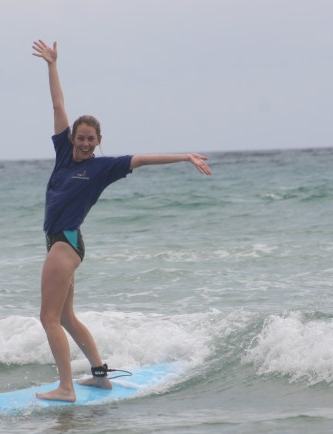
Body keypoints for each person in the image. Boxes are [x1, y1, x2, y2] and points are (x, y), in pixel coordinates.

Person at [32, 39, 211, 402]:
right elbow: (58, 104)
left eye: (90, 139)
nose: (84, 143)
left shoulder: (103, 167)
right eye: (80, 138)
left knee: (47, 318)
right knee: (65, 317)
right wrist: (52, 64)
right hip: (63, 241)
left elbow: (143, 159)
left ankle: (66, 388)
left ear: (99, 141)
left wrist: (184, 157)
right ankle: (99, 376)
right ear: (73, 139)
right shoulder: (64, 154)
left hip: (66, 242)